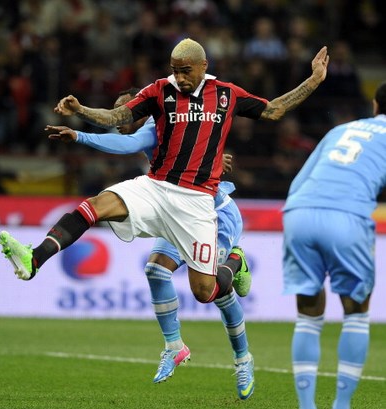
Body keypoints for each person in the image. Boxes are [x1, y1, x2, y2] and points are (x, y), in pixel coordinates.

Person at [0, 38, 328, 391]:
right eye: (174, 70)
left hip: (200, 204)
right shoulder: (159, 91)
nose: (179, 78)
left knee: (206, 292)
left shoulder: (226, 94)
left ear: (203, 66)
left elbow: (274, 110)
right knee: (98, 206)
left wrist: (314, 80)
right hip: (157, 187)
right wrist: (81, 109)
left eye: (185, 71)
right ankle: (35, 258)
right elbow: (118, 117)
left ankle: (235, 266)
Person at [48, 88, 254, 398]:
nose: (121, 119)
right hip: (178, 214)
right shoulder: (166, 126)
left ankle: (242, 356)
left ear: (142, 112)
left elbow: (126, 144)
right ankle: (174, 346)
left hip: (214, 217)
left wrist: (79, 135)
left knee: (212, 292)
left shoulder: (152, 127)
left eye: (126, 112)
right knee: (156, 270)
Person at [282, 81, 386, 409]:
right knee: (355, 312)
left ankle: (306, 406)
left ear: (375, 105)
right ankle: (341, 405)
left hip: (298, 214)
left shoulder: (341, 130)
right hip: (346, 218)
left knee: (308, 315)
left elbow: (299, 182)